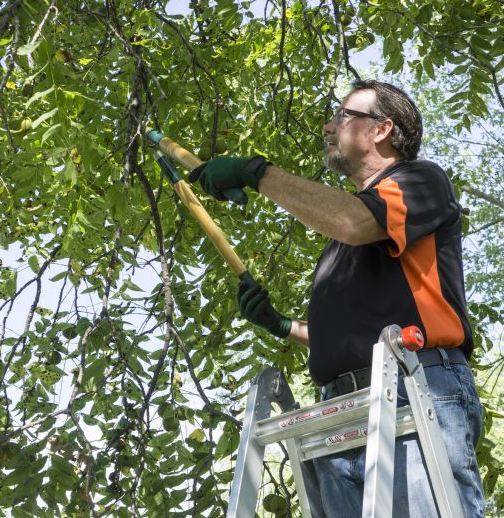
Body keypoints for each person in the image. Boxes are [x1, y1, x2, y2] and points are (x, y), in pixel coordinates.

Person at [188, 79, 485, 517]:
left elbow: (353, 220)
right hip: (343, 408)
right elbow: (358, 333)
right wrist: (283, 326)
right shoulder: (341, 245)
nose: (329, 126)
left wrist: (258, 173)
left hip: (413, 389)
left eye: (344, 116)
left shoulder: (420, 181)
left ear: (381, 129)